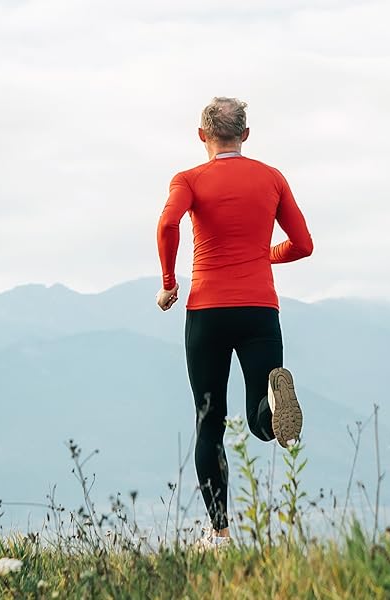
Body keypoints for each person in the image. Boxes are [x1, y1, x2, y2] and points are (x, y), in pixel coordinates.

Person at [155, 97, 313, 548]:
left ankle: (220, 533)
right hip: (259, 310)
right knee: (262, 423)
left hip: (206, 311)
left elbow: (168, 224)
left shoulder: (188, 179)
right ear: (246, 135)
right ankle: (271, 402)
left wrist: (169, 281)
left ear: (202, 136)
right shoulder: (271, 178)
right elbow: (302, 244)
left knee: (211, 421)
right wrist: (265, 255)